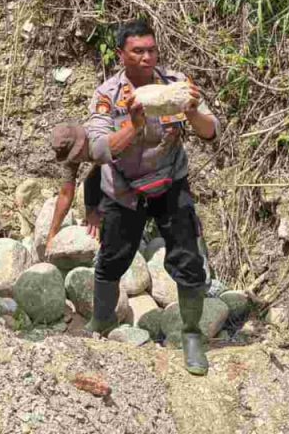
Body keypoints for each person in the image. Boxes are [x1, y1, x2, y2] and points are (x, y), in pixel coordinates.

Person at [84, 19, 219, 376]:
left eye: (152, 50)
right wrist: (133, 126)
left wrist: (192, 110)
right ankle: (100, 324)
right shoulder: (108, 96)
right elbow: (98, 150)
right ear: (120, 55)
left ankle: (191, 335)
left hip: (169, 183)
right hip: (124, 190)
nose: (147, 57)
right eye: (137, 51)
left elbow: (210, 132)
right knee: (111, 260)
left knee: (189, 260)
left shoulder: (175, 84)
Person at [44, 123, 102, 255]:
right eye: (72, 156)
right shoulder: (69, 153)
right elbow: (65, 193)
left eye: (77, 154)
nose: (75, 159)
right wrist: (52, 234)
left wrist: (93, 210)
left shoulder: (98, 137)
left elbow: (103, 172)